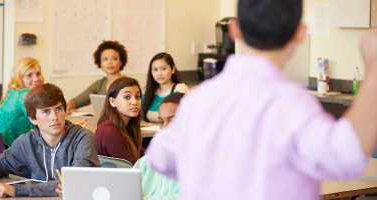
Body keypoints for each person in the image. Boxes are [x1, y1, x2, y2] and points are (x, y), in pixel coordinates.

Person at [145, 0, 377, 199]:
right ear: (300, 34)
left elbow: (158, 158)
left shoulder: (198, 100)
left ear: (234, 29)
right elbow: (346, 157)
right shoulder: (293, 103)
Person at [0, 83, 100, 197]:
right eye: (46, 111)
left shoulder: (83, 137)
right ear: (32, 119)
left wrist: (17, 190)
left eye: (59, 109)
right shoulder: (27, 142)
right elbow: (0, 164)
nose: (54, 117)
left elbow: (74, 181)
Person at [134, 93, 184, 197]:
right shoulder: (144, 163)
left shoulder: (199, 164)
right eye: (161, 122)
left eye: (173, 121)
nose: (165, 128)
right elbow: (126, 192)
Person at [0, 57, 44, 148]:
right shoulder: (24, 95)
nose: (36, 79)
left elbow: (34, 123)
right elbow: (40, 121)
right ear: (19, 78)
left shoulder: (15, 92)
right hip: (2, 147)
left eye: (38, 74)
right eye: (29, 75)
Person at [66, 40, 127, 114]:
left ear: (121, 62)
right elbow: (76, 101)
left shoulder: (130, 84)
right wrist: (66, 108)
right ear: (100, 63)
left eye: (114, 58)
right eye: (105, 59)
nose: (110, 62)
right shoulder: (99, 85)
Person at [95, 77, 145, 165]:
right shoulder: (108, 131)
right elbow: (130, 168)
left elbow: (143, 153)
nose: (134, 102)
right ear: (112, 102)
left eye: (137, 97)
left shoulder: (126, 127)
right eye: (127, 97)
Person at [142, 52, 189, 122]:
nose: (159, 73)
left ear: (173, 69)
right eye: (155, 69)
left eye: (163, 68)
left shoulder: (181, 89)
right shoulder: (147, 90)